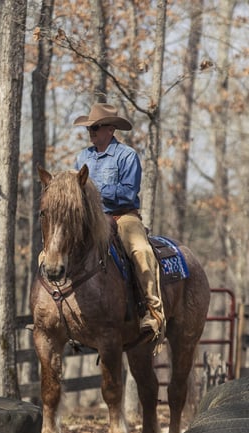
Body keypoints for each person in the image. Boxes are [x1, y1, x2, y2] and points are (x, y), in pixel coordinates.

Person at [72, 102, 166, 347]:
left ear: (111, 130)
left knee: (141, 251)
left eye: (97, 127)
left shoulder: (127, 156)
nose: (91, 132)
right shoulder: (82, 157)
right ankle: (65, 311)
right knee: (57, 248)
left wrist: (95, 190)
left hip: (122, 217)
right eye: (89, 128)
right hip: (90, 218)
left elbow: (127, 193)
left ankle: (152, 312)